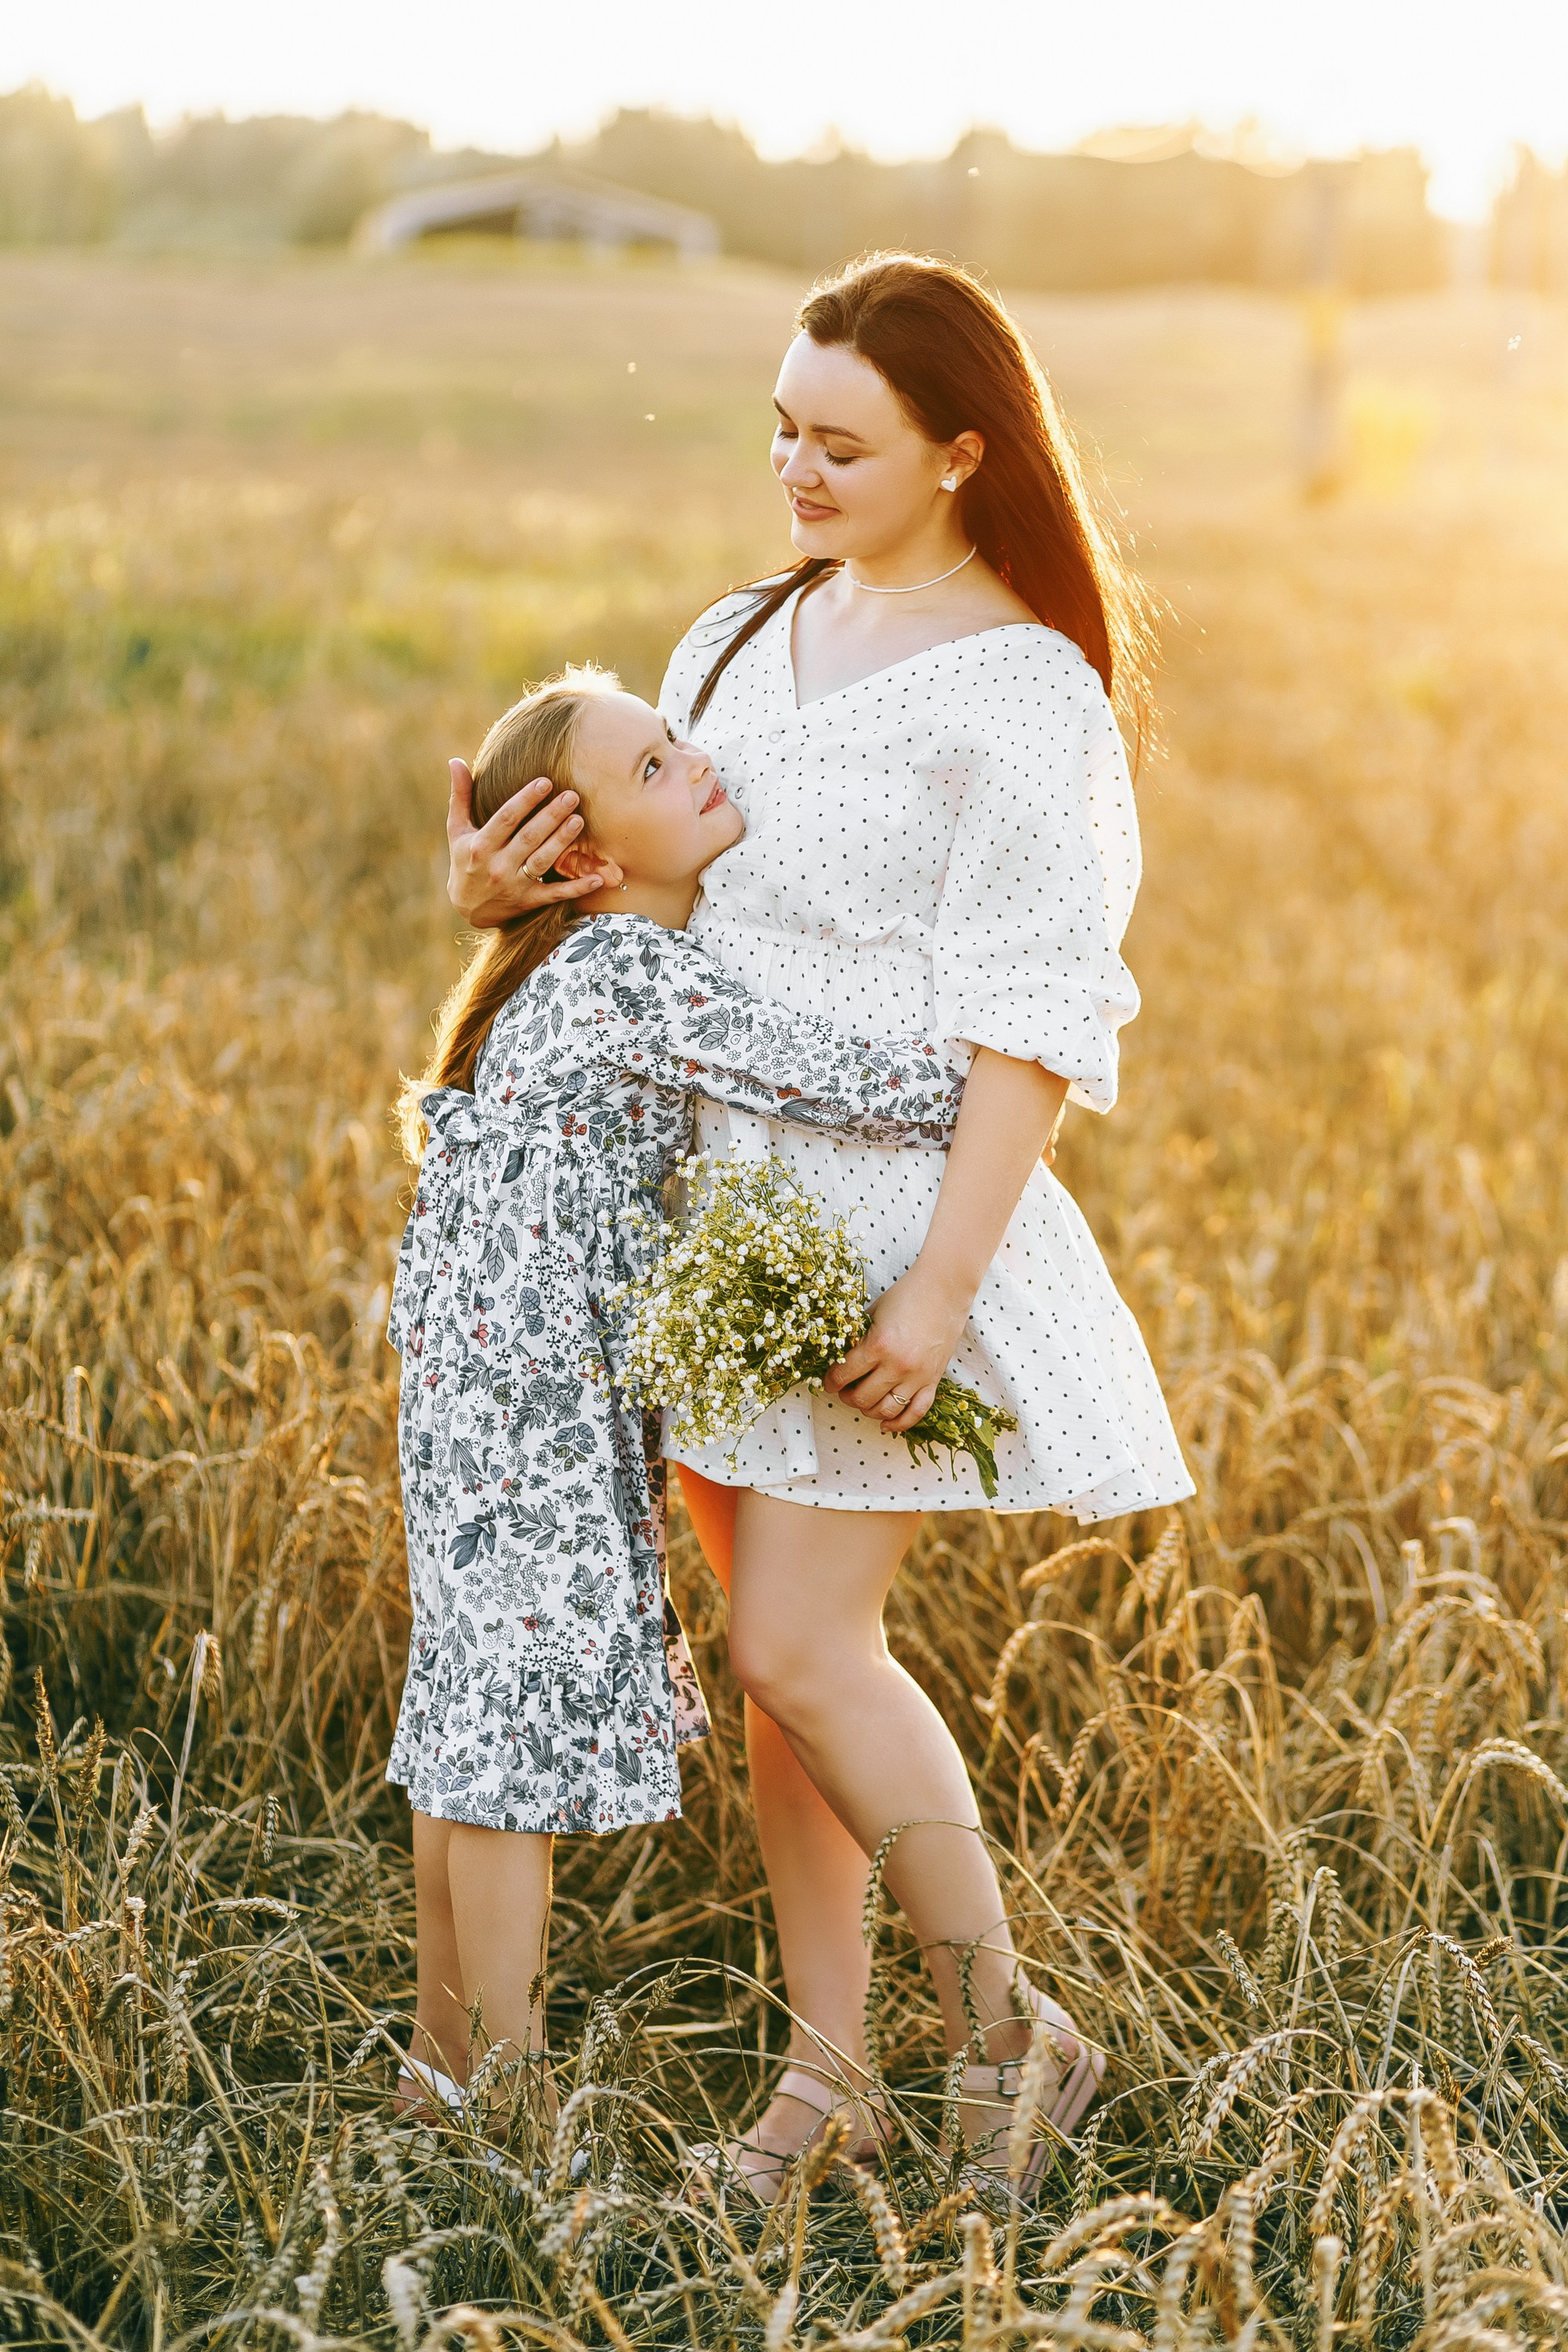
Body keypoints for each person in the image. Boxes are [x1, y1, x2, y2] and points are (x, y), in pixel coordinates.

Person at [445, 252, 1194, 2194]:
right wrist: (496, 894)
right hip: (709, 1224)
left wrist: (942, 1287)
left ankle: (1012, 2034)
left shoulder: (1030, 694)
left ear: (962, 450)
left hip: (881, 1224)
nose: (792, 464)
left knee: (801, 1644)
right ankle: (824, 2079)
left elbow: (1035, 1013)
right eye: (780, 425)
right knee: (786, 1678)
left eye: (839, 441)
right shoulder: (733, 629)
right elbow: (634, 875)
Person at [387, 666, 964, 2125]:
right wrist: (1004, 1050)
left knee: (468, 1722)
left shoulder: (558, 971)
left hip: (465, 1400)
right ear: (581, 859)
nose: (697, 762)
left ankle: (440, 2067)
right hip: (543, 1420)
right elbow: (872, 1089)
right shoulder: (640, 972)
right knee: (510, 1754)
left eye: (678, 738)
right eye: (654, 767)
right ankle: (503, 2102)